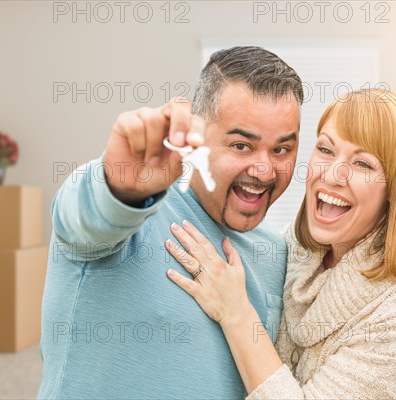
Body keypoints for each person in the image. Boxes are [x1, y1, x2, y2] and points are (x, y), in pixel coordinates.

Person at [37, 46, 303, 399]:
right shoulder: (130, 220)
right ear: (197, 136)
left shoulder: (277, 252)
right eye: (241, 146)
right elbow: (83, 216)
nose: (264, 170)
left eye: (281, 150)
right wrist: (121, 187)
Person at [166, 88, 396, 399]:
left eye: (363, 164)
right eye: (326, 150)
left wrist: (236, 313)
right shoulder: (299, 247)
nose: (331, 175)